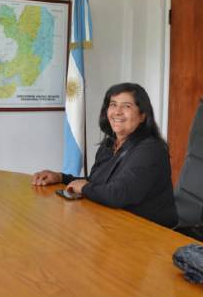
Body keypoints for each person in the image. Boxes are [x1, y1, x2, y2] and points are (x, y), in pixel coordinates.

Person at [32, 82, 178, 228]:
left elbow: (117, 194)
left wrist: (83, 188)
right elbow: (97, 183)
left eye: (127, 106)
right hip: (114, 223)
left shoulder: (150, 150)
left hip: (148, 233)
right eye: (113, 104)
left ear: (142, 116)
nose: (117, 112)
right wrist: (60, 177)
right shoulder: (110, 144)